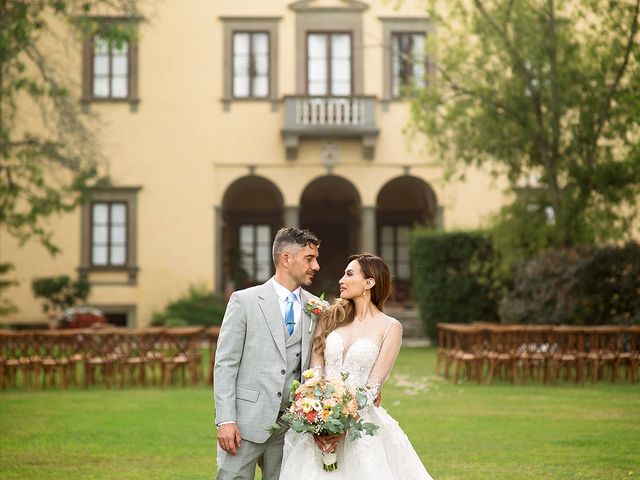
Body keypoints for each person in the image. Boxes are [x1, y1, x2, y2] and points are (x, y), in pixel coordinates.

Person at [279, 253, 434, 479]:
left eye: (349, 274)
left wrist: (342, 423)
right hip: (318, 419)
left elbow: (374, 384)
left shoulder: (390, 327)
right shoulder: (329, 317)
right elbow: (314, 372)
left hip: (359, 421)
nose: (341, 279)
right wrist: (317, 417)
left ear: (369, 283)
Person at [214, 227, 322, 480]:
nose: (316, 266)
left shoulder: (318, 307)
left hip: (291, 427)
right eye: (309, 258)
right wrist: (225, 419)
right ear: (286, 259)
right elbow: (225, 364)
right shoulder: (244, 301)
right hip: (244, 423)